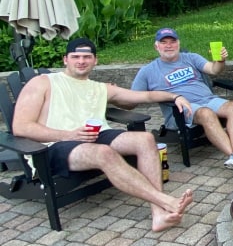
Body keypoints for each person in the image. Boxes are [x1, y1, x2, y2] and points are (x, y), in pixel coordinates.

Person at [12, 37, 193, 233]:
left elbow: (146, 96)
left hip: (92, 137)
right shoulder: (43, 82)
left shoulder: (100, 88)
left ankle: (158, 215)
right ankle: (166, 201)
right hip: (52, 145)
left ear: (95, 61)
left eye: (87, 57)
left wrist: (176, 96)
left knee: (145, 139)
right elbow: (21, 127)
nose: (81, 61)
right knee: (104, 153)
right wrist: (68, 135)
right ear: (65, 59)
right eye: (76, 56)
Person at [132, 28, 233, 171]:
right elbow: (132, 98)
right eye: (163, 42)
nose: (168, 45)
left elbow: (214, 70)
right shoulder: (147, 71)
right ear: (156, 46)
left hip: (208, 100)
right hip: (181, 109)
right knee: (205, 113)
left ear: (179, 44)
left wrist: (220, 60)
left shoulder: (191, 58)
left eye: (172, 41)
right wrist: (115, 98)